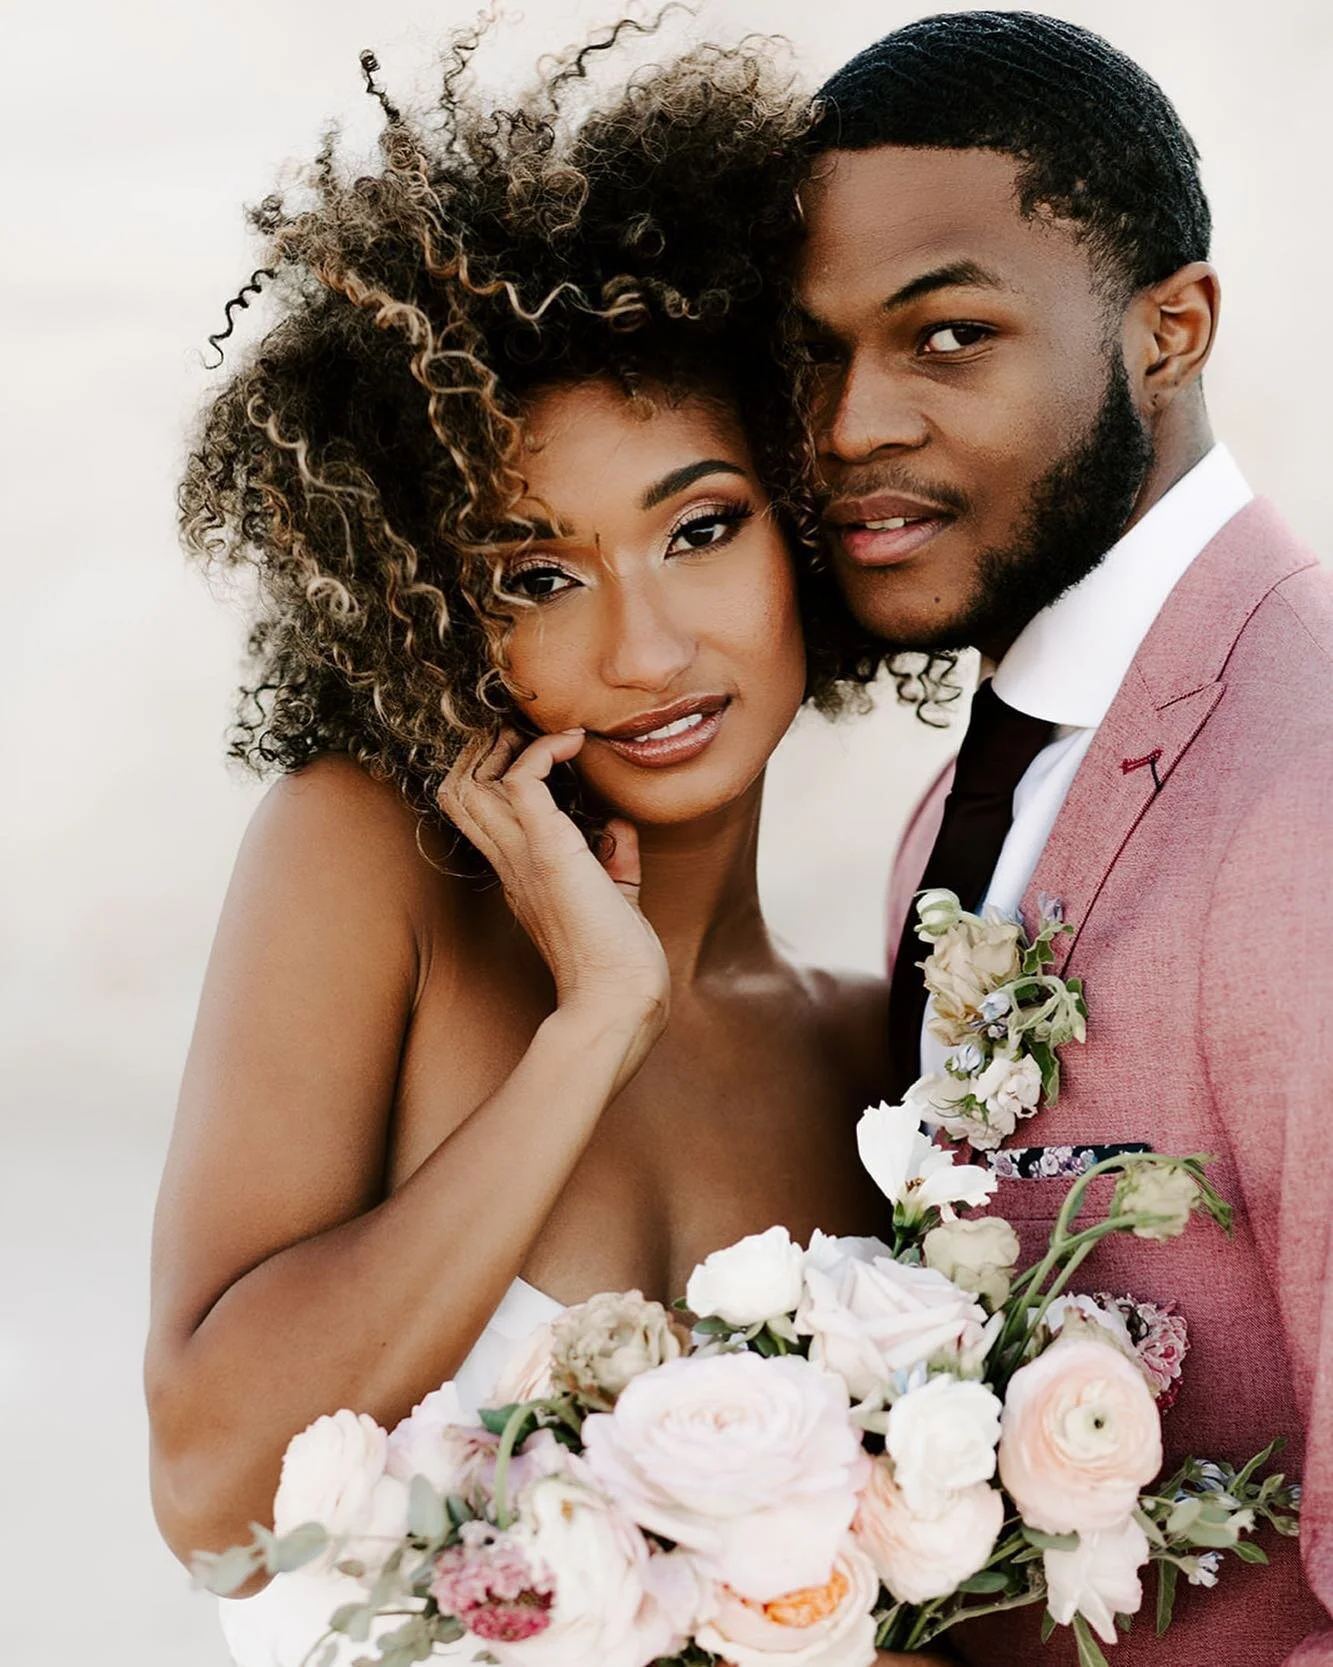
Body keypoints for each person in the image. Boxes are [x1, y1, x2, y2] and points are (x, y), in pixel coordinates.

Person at [142, 29, 934, 1667]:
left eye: (700, 527)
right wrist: (590, 1029)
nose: (646, 651)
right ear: (436, 616)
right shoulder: (373, 872)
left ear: (809, 519)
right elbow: (215, 1489)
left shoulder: (881, 1048)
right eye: (536, 574)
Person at [795, 11, 1333, 1665]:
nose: (850, 424)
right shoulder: (964, 799)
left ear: (1170, 331)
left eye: (945, 335)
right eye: (811, 353)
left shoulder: (1307, 784)